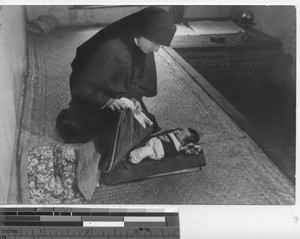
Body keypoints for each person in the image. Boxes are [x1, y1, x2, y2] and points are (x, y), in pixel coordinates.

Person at [56, 6, 177, 144]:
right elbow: (81, 84)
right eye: (154, 44)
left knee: (144, 125)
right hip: (94, 96)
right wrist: (106, 101)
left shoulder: (145, 47)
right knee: (86, 134)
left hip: (119, 94)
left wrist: (134, 98)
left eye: (159, 45)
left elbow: (140, 81)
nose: (156, 50)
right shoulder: (111, 48)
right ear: (140, 33)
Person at [129, 128, 200, 164]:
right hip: (153, 142)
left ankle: (133, 158)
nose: (178, 131)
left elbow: (187, 148)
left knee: (144, 151)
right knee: (144, 143)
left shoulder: (180, 146)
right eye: (181, 130)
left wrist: (189, 147)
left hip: (154, 152)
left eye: (181, 133)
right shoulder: (175, 134)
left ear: (184, 142)